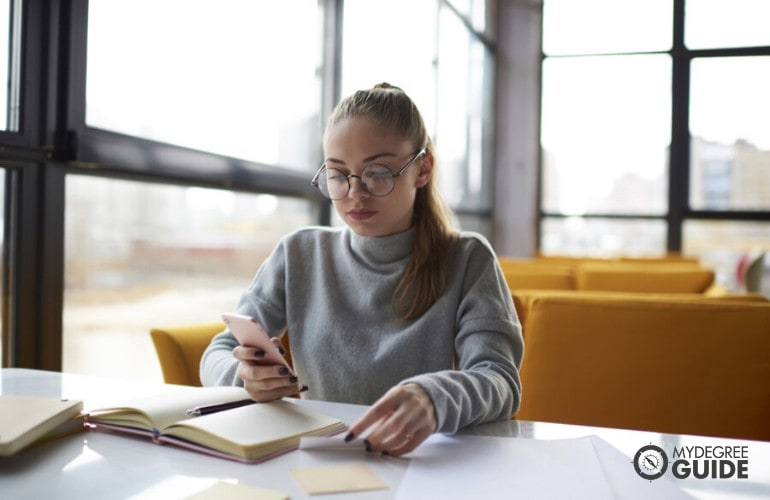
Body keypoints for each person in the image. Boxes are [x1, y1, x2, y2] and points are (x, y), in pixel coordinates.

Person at [200, 83, 523, 457]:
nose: (356, 192)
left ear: (422, 169)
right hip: (318, 462)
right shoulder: (298, 254)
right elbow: (218, 352)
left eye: (377, 172)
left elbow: (500, 380)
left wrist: (435, 398)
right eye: (338, 174)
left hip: (422, 464)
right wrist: (244, 377)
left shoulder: (468, 259)